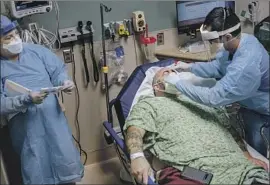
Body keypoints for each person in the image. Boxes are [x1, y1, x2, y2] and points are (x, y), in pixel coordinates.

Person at [124, 68, 269, 185]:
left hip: (237, 166)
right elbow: (135, 129)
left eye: (176, 74)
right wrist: (137, 156)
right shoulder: (150, 104)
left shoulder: (202, 101)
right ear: (156, 86)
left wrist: (247, 156)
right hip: (195, 170)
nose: (173, 75)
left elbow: (229, 130)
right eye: (166, 73)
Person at [165, 7, 269, 158]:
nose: (212, 44)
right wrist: (190, 68)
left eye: (213, 40)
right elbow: (219, 66)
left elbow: (213, 98)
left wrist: (178, 83)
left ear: (227, 37)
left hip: (262, 109)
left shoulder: (245, 65)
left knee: (254, 150)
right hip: (248, 101)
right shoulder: (242, 40)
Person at [0, 15, 83, 185]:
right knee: (36, 165)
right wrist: (25, 99)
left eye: (16, 34)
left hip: (54, 119)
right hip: (26, 128)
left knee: (64, 159)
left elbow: (57, 70)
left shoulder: (36, 51)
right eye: (8, 37)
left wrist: (64, 82)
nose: (15, 40)